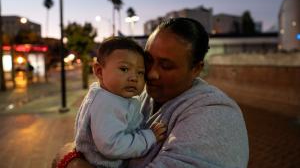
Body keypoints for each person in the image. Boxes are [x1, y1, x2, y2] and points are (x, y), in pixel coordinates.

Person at [53, 17, 249, 168]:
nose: (151, 74)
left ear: (196, 68)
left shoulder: (216, 115)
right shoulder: (141, 96)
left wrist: (69, 159)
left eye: (166, 65)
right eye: (148, 61)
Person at [70, 37, 166, 168]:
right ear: (99, 71)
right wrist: (149, 137)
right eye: (124, 69)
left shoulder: (111, 96)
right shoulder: (106, 102)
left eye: (140, 72)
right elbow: (112, 146)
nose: (134, 78)